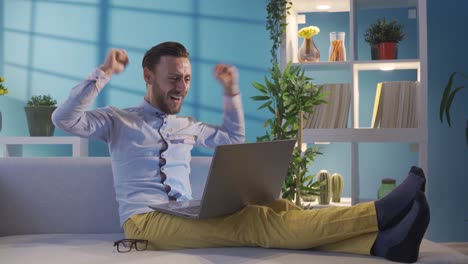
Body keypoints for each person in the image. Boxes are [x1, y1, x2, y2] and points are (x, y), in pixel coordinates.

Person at [52, 41, 430, 263]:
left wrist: (231, 92)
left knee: (280, 208)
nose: (181, 87)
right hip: (146, 223)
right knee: (255, 224)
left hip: (185, 209)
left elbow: (232, 142)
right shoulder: (118, 120)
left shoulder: (188, 126)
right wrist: (103, 72)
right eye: (172, 79)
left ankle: (383, 245)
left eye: (185, 79)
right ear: (148, 77)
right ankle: (378, 213)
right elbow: (65, 118)